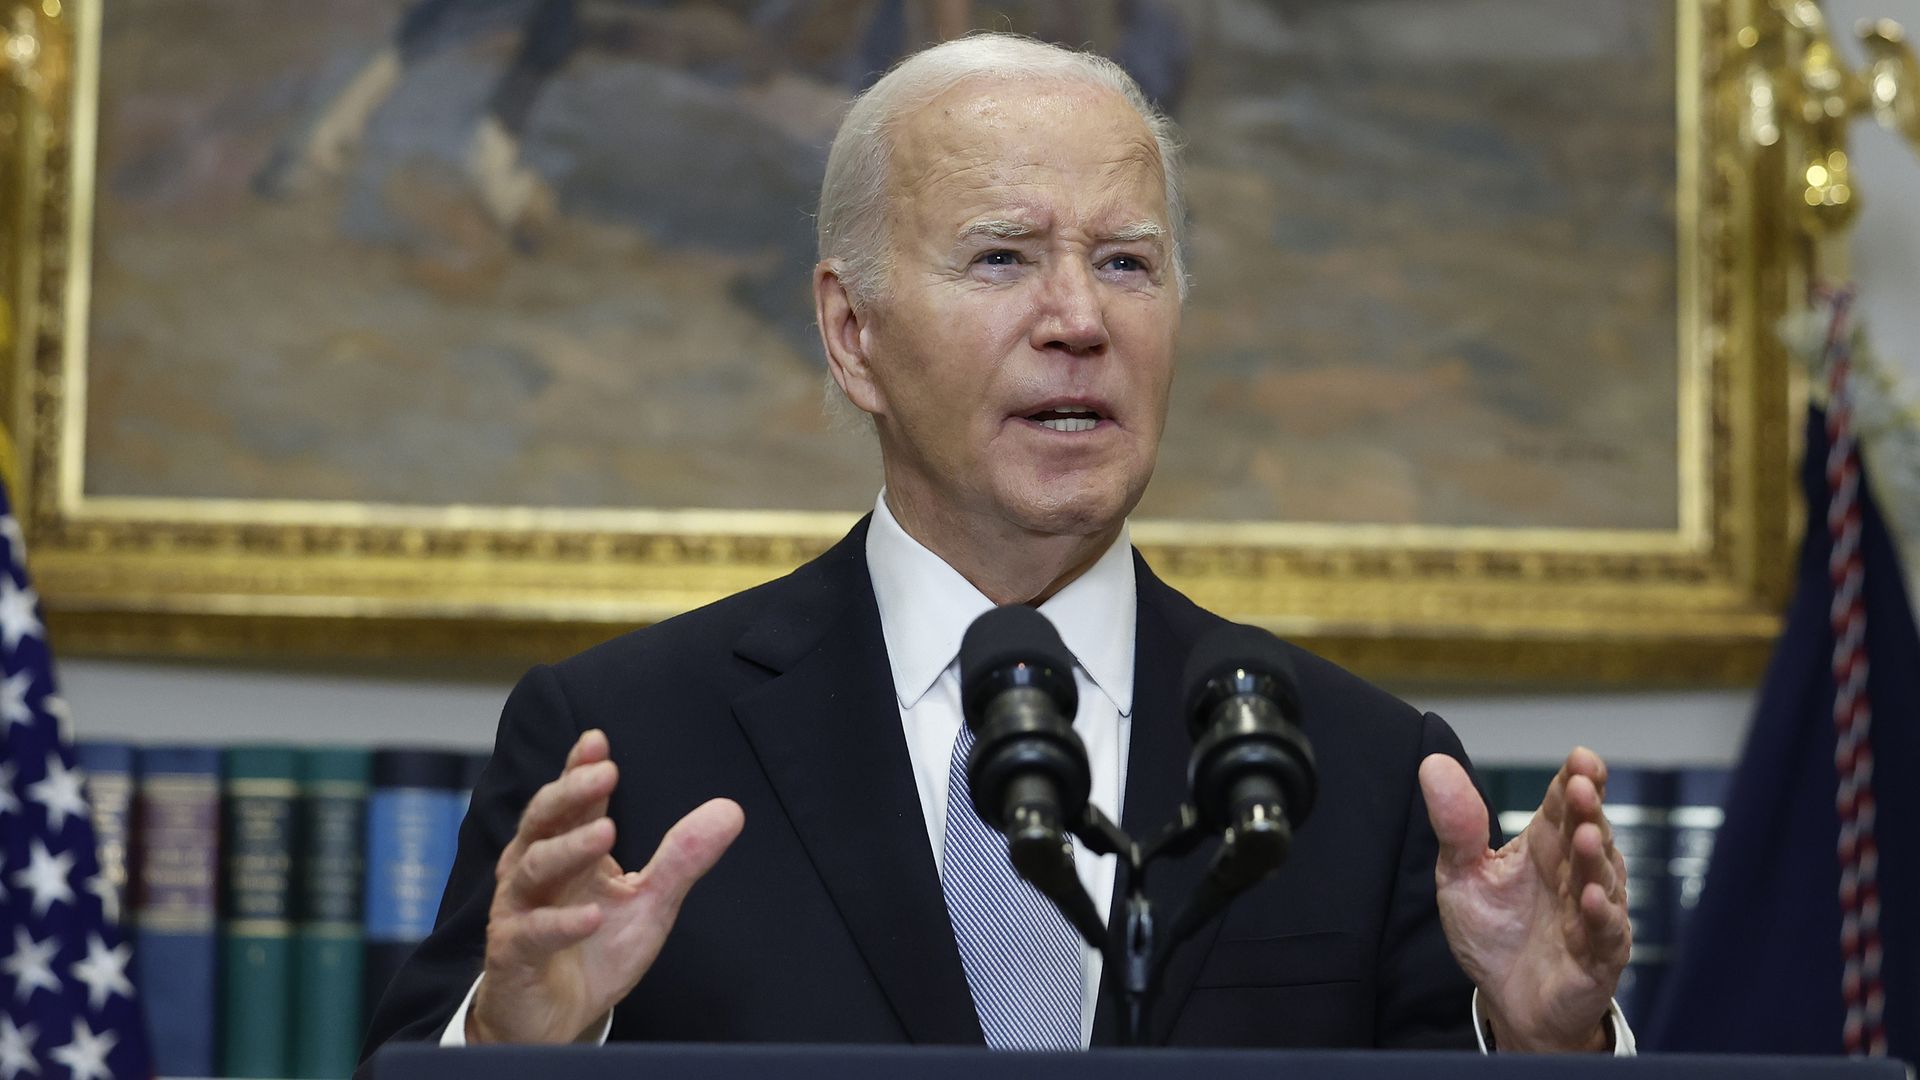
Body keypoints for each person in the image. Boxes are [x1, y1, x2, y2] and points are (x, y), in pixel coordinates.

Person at [359, 33, 1632, 1064]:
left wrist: (1539, 1041)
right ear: (852, 333)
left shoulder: (1359, 768)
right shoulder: (622, 746)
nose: (1077, 318)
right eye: (1003, 257)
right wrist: (521, 1040)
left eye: (1127, 262)